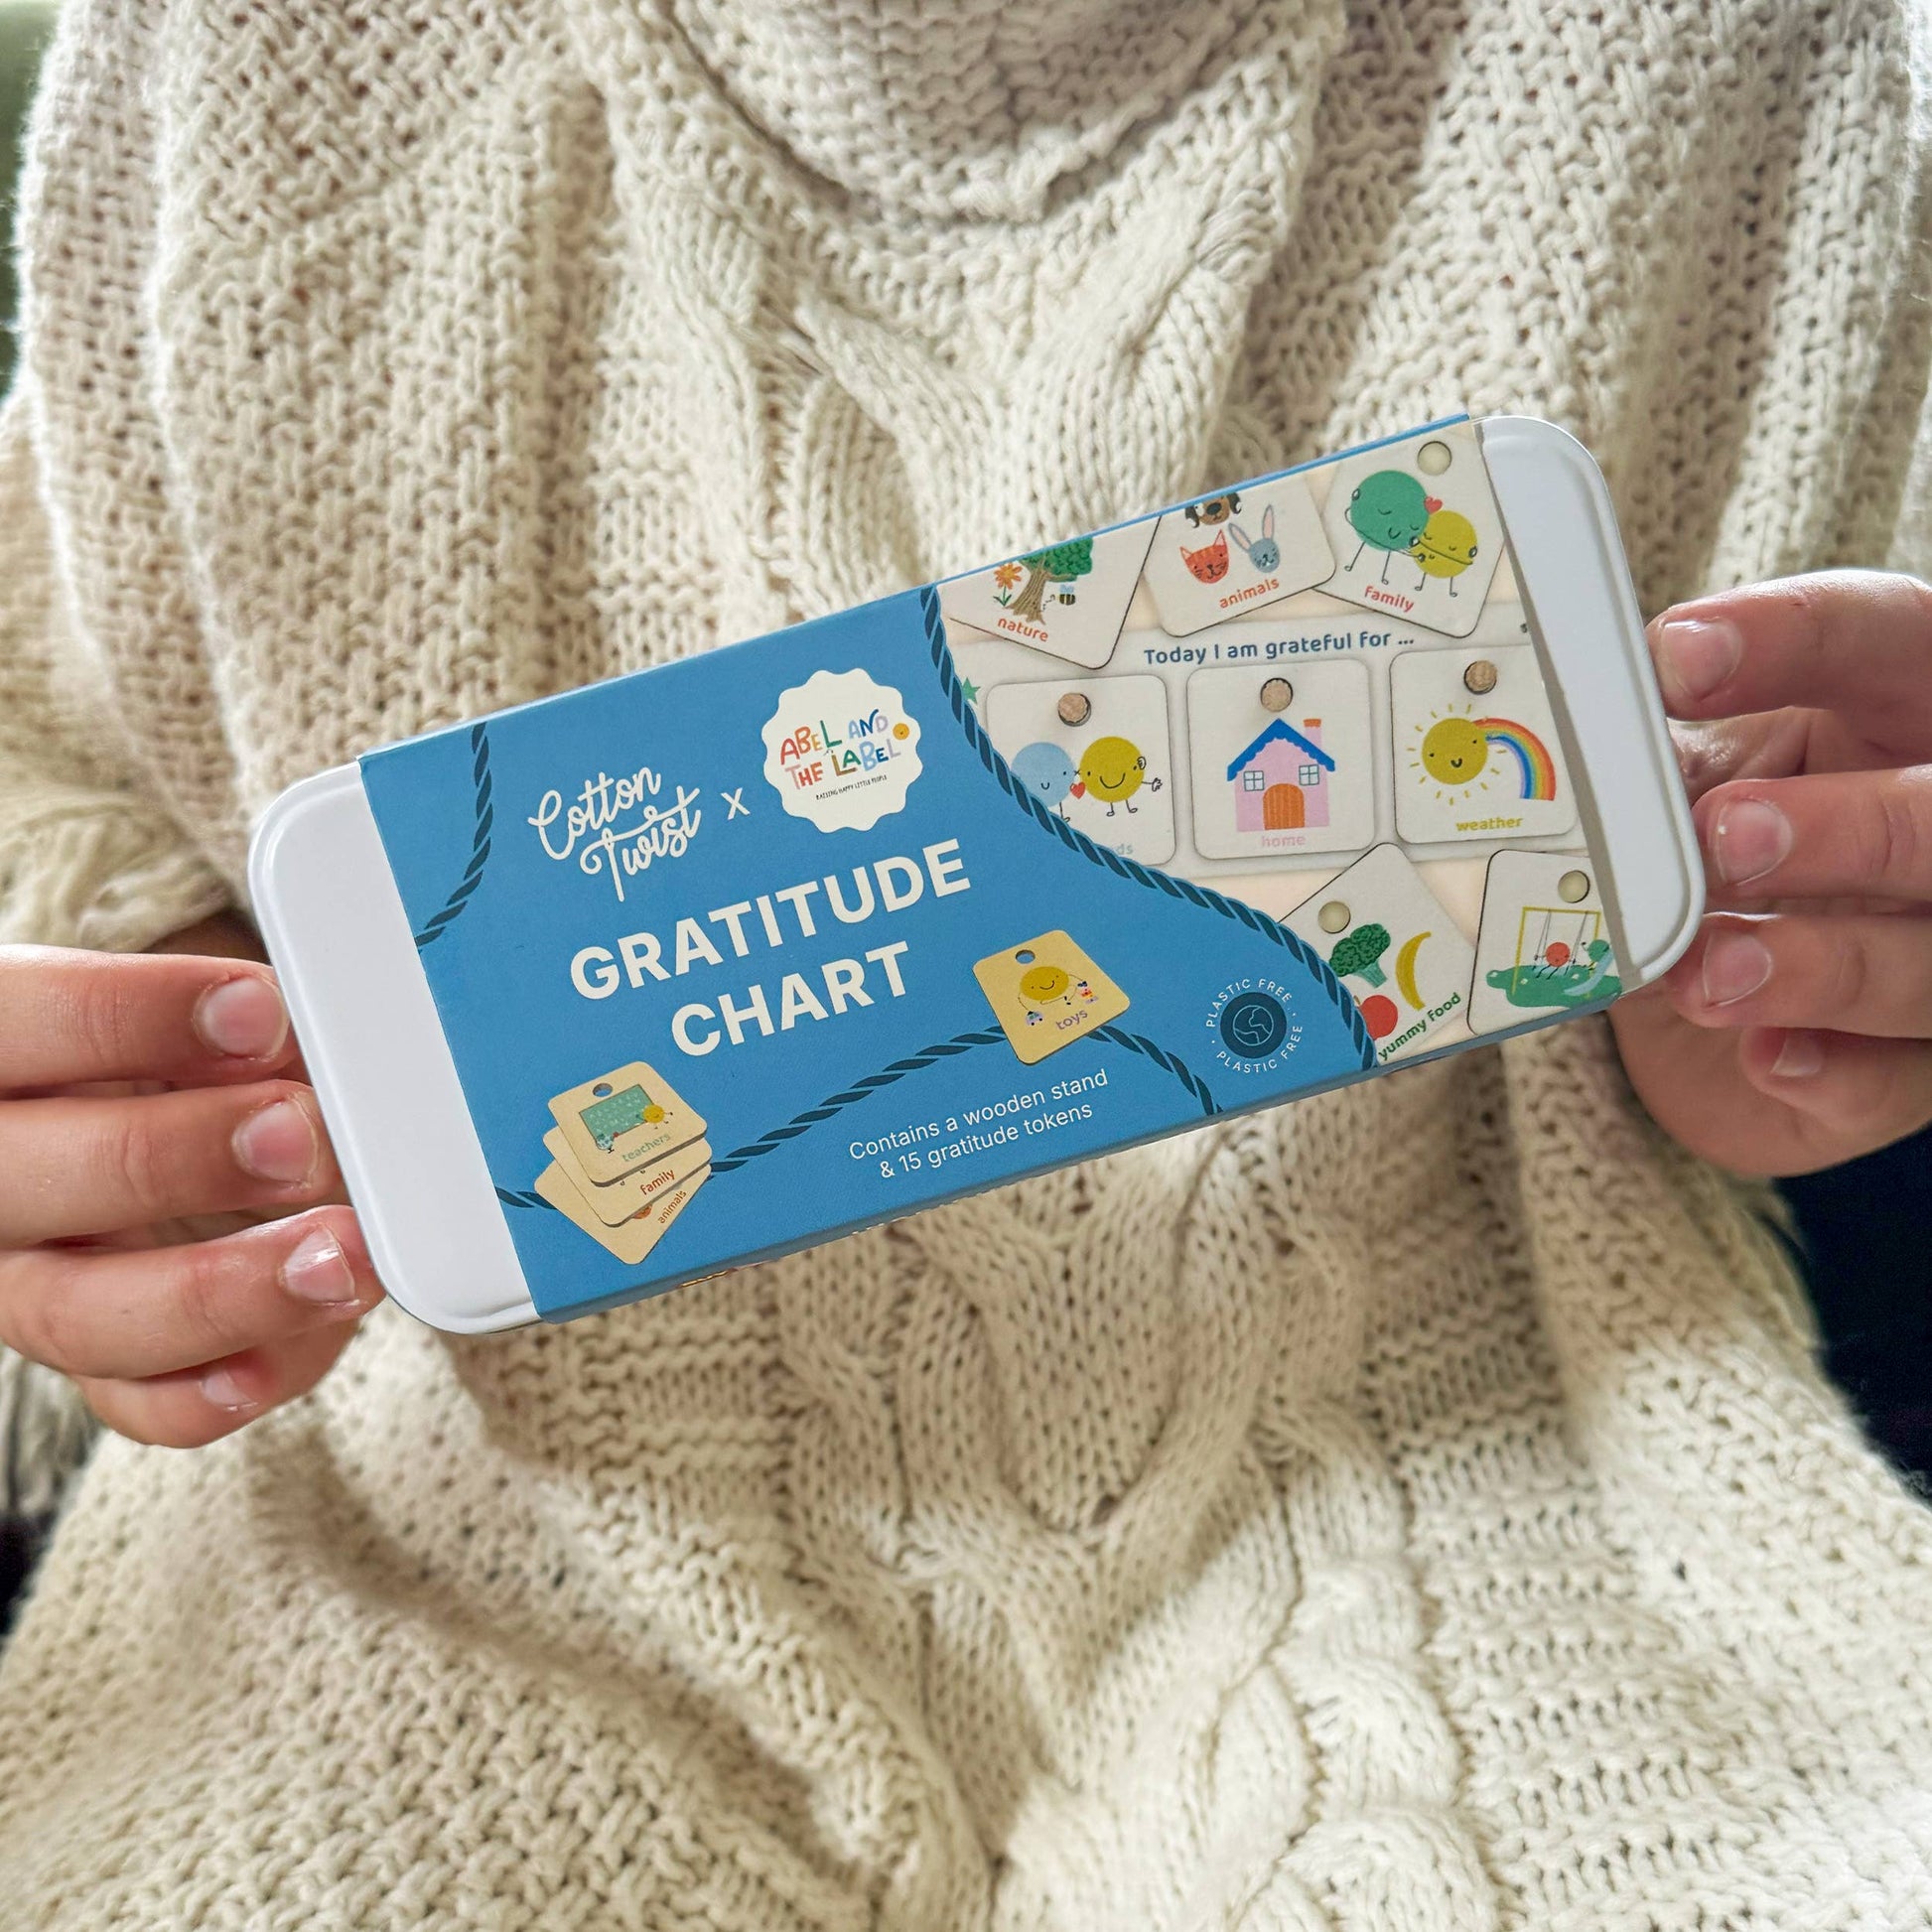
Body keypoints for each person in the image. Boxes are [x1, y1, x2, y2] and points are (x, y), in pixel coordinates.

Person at [2, 0, 1931, 1922]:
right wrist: (137, 1105)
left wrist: (1811, 954)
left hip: (1478, 1466)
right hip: (466, 1517)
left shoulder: (1757, 63)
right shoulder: (223, 66)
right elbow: (56, 750)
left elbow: (1741, 855)